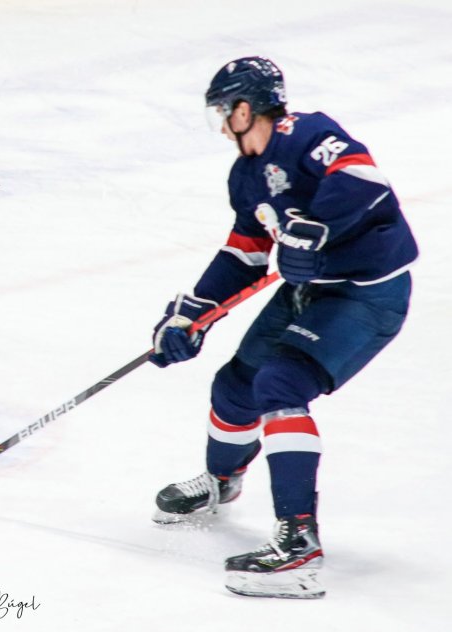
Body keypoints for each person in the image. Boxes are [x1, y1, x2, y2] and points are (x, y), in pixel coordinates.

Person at [148, 57, 417, 599]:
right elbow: (244, 254)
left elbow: (363, 178)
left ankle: (300, 547)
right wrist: (194, 313)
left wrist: (316, 228)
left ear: (245, 109)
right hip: (308, 291)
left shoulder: (307, 133)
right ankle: (222, 482)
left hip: (366, 293)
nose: (221, 126)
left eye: (224, 112)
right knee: (235, 387)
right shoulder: (246, 175)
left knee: (281, 384)